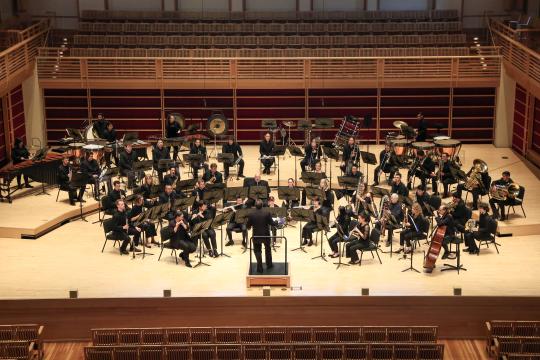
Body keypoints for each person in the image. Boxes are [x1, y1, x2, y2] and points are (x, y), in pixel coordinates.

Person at [246, 199, 275, 273]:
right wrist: (277, 222)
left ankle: (260, 267)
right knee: (268, 249)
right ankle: (269, 265)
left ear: (255, 206)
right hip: (266, 235)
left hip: (256, 236)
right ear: (262, 205)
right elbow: (272, 223)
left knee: (257, 251)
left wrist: (248, 227)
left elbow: (248, 226)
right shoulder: (267, 213)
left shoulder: (251, 214)